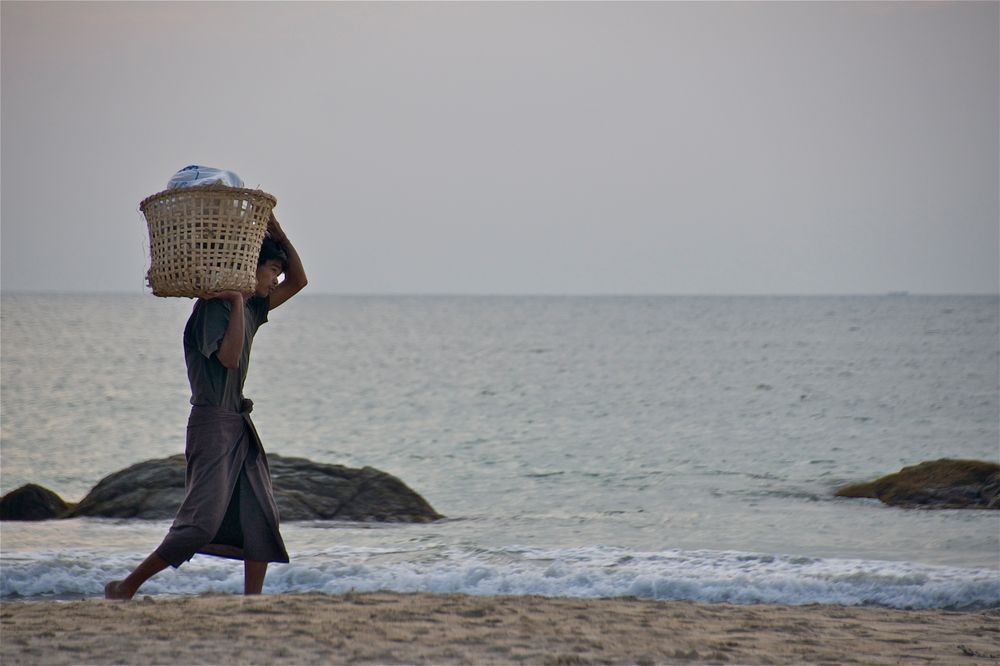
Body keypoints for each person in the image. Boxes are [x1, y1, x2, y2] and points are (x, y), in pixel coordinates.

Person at [105, 213, 307, 599]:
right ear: (252, 270)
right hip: (212, 425)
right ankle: (125, 587)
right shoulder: (215, 310)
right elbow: (229, 358)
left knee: (260, 514)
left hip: (237, 424)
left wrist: (278, 233)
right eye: (272, 270)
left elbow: (300, 281)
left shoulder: (252, 309)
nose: (277, 280)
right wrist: (232, 298)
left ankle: (253, 601)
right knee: (200, 523)